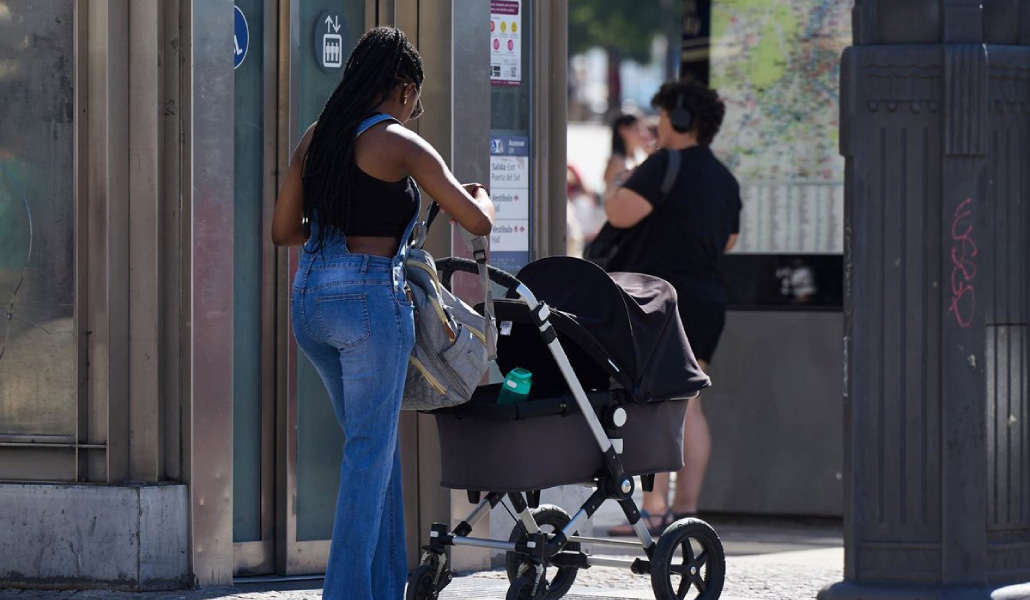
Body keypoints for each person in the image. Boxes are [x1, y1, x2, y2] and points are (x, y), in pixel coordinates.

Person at [270, 27, 494, 599]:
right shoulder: (399, 143)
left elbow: (281, 232)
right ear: (401, 87)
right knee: (369, 453)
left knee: (375, 448)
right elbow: (476, 222)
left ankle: (381, 588)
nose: (414, 112)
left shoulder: (316, 138)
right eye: (414, 101)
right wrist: (483, 198)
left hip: (310, 301)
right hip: (369, 304)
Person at [604, 79, 741, 535]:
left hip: (661, 301)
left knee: (655, 403)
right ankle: (686, 511)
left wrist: (615, 182)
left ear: (679, 119)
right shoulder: (724, 177)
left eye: (661, 114)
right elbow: (730, 240)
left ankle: (653, 508)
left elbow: (620, 213)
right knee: (688, 406)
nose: (655, 124)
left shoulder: (664, 165)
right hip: (707, 300)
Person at [603, 112, 649, 190]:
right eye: (637, 129)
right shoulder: (617, 162)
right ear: (623, 130)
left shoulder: (637, 157)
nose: (642, 134)